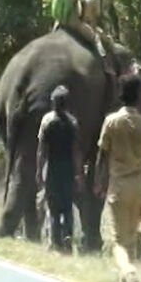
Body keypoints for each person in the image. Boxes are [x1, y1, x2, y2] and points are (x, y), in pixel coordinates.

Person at [95, 74, 141, 282]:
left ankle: (129, 273)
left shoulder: (111, 122)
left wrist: (99, 181)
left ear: (120, 94)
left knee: (118, 242)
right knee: (130, 238)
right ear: (139, 96)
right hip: (140, 186)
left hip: (119, 187)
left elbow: (102, 156)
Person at [36, 86, 84, 254]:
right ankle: (67, 238)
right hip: (68, 169)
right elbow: (76, 150)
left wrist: (39, 170)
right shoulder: (73, 122)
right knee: (67, 205)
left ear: (53, 102)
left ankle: (55, 242)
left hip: (52, 168)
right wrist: (79, 174)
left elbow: (42, 149)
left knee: (53, 207)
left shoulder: (47, 120)